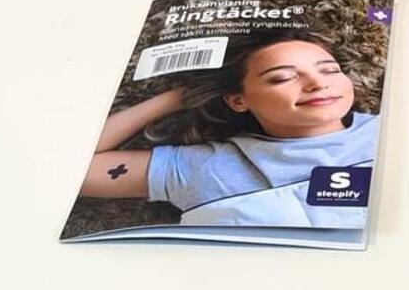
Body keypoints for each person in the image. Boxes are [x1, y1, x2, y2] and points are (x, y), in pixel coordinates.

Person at [80, 31, 378, 228]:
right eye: (282, 77)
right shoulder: (203, 168)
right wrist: (175, 99)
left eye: (330, 70)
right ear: (238, 100)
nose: (318, 83)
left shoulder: (390, 135)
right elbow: (75, 169)